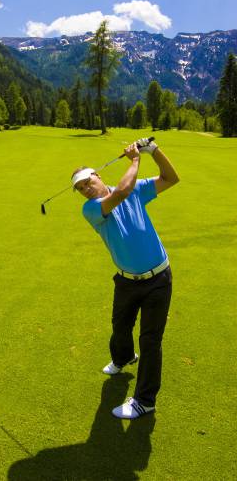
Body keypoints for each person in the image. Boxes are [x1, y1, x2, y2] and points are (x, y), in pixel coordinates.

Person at [72, 138, 179, 419]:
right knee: (120, 326)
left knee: (150, 341)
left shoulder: (138, 189)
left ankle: (145, 401)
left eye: (86, 181)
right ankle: (122, 358)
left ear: (98, 174)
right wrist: (134, 159)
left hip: (159, 278)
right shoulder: (92, 209)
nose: (85, 189)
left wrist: (153, 151)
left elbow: (171, 178)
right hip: (126, 281)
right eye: (80, 188)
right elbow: (120, 192)